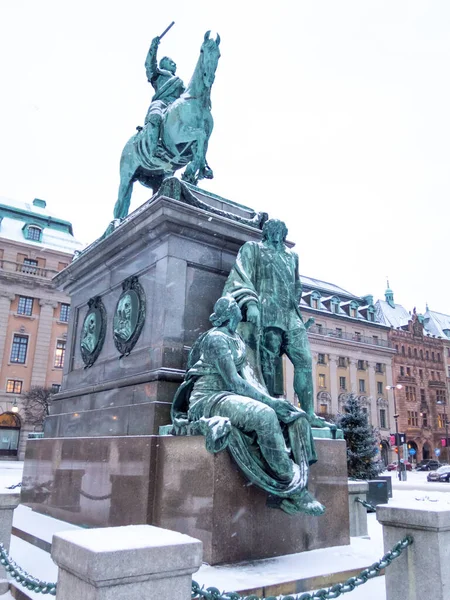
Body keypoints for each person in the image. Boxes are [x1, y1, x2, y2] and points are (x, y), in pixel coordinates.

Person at [171, 295, 324, 516]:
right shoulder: (216, 339)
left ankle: (283, 489)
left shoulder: (237, 339)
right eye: (236, 309)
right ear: (230, 314)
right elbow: (234, 381)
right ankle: (293, 490)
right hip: (208, 399)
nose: (240, 312)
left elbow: (249, 380)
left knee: (292, 415)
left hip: (228, 397)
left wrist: (278, 403)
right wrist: (270, 403)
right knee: (264, 415)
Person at [223, 219, 326, 428]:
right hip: (267, 310)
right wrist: (251, 303)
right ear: (265, 232)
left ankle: (309, 413)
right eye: (272, 230)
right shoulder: (253, 249)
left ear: (284, 233)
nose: (276, 234)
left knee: (305, 360)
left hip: (290, 314)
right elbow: (241, 277)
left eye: (280, 231)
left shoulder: (292, 256)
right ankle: (269, 408)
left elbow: (297, 286)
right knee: (267, 364)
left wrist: (294, 310)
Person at [143, 36, 185, 156]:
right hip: (162, 103)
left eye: (174, 62)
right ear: (163, 65)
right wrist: (153, 47)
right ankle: (154, 147)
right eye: (170, 62)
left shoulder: (179, 82)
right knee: (155, 116)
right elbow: (149, 64)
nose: (174, 63)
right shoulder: (158, 75)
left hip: (177, 106)